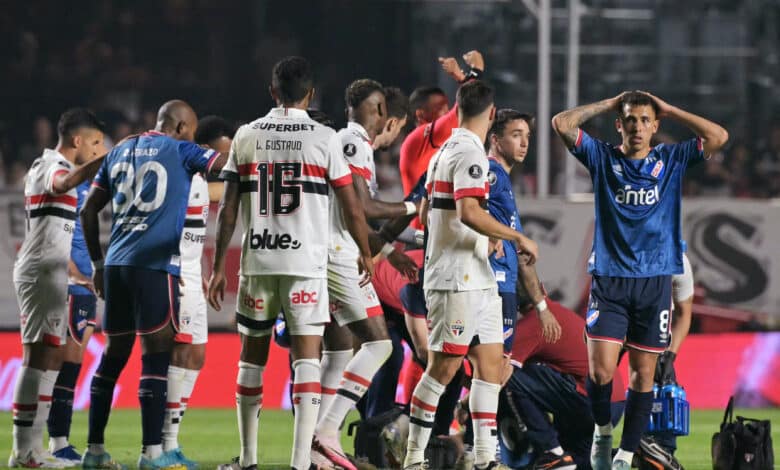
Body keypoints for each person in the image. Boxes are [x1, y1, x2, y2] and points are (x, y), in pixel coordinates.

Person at [207, 56, 374, 470]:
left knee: (251, 359)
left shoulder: (246, 135)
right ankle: (301, 464)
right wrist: (366, 252)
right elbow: (353, 207)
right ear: (311, 94)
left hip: (259, 261)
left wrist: (215, 268)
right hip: (305, 264)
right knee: (306, 359)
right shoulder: (325, 137)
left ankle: (247, 460)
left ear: (272, 91)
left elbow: (228, 208)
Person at [551, 91, 728, 470]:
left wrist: (671, 108)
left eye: (645, 120)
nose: (637, 126)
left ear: (655, 126)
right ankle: (602, 431)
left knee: (643, 374)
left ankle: (626, 454)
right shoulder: (602, 157)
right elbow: (562, 124)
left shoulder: (671, 159)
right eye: (630, 119)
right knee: (599, 371)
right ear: (620, 124)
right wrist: (610, 101)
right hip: (610, 280)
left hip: (654, 281)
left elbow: (718, 137)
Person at [80, 99, 226, 470]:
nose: (194, 139)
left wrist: (97, 263)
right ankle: (151, 454)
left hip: (115, 265)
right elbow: (226, 166)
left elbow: (88, 209)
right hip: (156, 266)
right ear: (180, 128)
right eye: (192, 131)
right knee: (155, 361)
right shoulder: (180, 149)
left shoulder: (120, 150)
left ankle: (94, 451)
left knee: (112, 359)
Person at [403, 80, 538, 470]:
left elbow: (428, 212)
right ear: (492, 114)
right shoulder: (470, 155)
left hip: (475, 274)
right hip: (455, 279)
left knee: (489, 366)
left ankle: (484, 458)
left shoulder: (444, 150)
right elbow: (468, 212)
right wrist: (515, 237)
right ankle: (413, 458)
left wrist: (483, 241)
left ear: (458, 108)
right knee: (443, 368)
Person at [314, 79, 417, 470]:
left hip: (329, 253)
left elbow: (352, 214)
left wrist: (386, 249)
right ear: (380, 113)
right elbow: (363, 207)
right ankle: (326, 430)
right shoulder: (354, 142)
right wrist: (411, 206)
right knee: (380, 345)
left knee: (338, 352)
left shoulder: (346, 142)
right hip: (337, 257)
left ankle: (316, 450)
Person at [10, 108, 106, 468]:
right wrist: (109, 158)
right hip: (40, 274)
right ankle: (24, 450)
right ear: (77, 141)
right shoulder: (52, 167)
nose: (99, 150)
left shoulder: (50, 168)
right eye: (96, 143)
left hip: (51, 271)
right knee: (36, 359)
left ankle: (35, 449)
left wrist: (75, 273)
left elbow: (52, 232)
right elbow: (63, 184)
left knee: (47, 357)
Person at [161, 115, 235, 466]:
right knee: (182, 354)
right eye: (224, 153)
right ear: (206, 149)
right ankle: (164, 444)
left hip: (192, 273)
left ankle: (168, 440)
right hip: (177, 275)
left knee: (198, 356)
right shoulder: (185, 176)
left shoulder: (202, 182)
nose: (226, 161)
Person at [494, 279, 626, 470]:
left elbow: (497, 377)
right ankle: (630, 455)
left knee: (512, 378)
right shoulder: (560, 313)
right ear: (543, 291)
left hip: (587, 401)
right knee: (580, 464)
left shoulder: (530, 325)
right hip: (612, 403)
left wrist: (465, 406)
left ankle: (551, 451)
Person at [399, 51, 484, 195]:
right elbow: (465, 107)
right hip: (423, 218)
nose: (447, 115)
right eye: (440, 109)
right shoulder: (419, 138)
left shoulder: (441, 143)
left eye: (447, 108)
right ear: (420, 114)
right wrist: (476, 70)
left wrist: (463, 79)